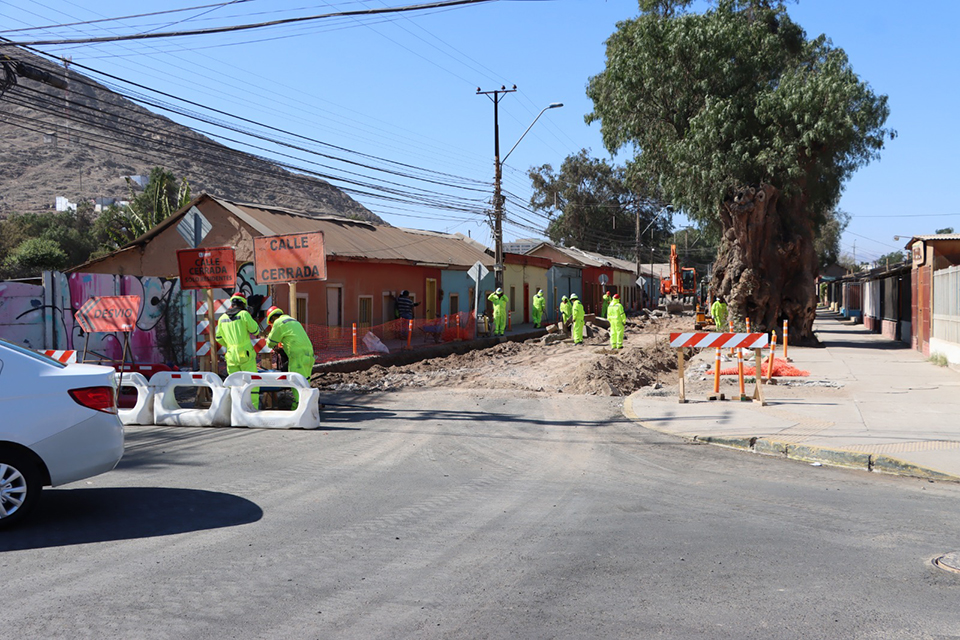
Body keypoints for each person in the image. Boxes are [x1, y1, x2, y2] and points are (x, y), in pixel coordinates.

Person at [265, 306, 314, 410]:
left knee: (297, 383)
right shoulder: (293, 321)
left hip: (297, 356)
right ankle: (308, 406)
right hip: (309, 355)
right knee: (305, 382)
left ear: (272, 319)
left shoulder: (278, 323)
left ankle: (299, 409)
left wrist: (268, 337)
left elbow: (270, 343)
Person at [216, 292, 260, 409]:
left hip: (230, 354)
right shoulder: (244, 314)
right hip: (244, 353)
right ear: (243, 303)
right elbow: (255, 330)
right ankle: (253, 407)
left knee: (233, 383)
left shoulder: (222, 318)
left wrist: (229, 345)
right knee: (251, 381)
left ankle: (234, 408)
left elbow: (218, 337)